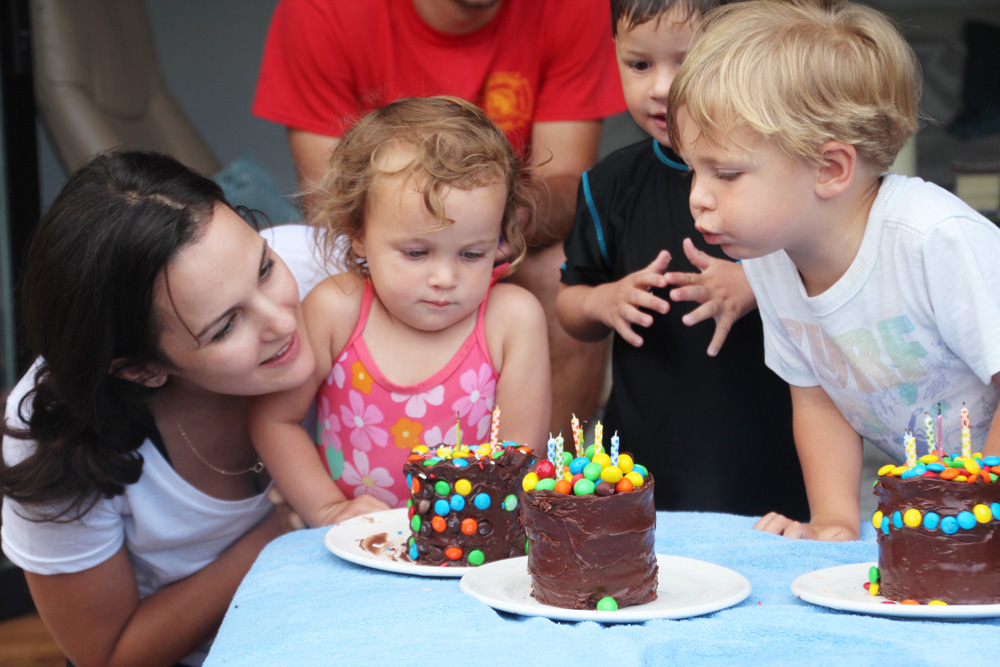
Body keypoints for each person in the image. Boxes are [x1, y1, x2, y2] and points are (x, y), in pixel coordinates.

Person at [0, 150, 384, 667]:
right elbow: (108, 655)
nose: (282, 322)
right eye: (225, 327)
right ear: (139, 368)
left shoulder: (325, 273)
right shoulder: (50, 436)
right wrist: (286, 530)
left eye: (266, 269)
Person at [667, 0, 1000, 540]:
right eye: (693, 170)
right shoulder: (773, 261)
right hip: (957, 516)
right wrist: (836, 522)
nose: (697, 198)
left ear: (830, 169)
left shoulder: (933, 239)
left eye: (726, 173)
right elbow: (820, 397)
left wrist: (984, 509)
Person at [252, 0, 627, 438]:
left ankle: (552, 488)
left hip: (505, 239)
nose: (443, 277)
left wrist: (486, 227)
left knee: (567, 265)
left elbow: (564, 182)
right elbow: (331, 202)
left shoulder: (573, 9)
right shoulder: (323, 11)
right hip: (377, 245)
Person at [555, 0, 807, 517]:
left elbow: (833, 278)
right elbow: (571, 307)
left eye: (686, 62)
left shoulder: (782, 174)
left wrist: (756, 283)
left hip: (773, 458)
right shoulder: (608, 185)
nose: (662, 87)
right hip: (644, 462)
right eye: (640, 64)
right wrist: (604, 300)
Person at [250, 96, 551, 524]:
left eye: (471, 254)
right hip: (354, 540)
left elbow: (518, 455)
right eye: (415, 252)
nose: (444, 277)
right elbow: (274, 421)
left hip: (474, 541)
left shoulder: (511, 319)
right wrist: (328, 509)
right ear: (357, 234)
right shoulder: (337, 309)